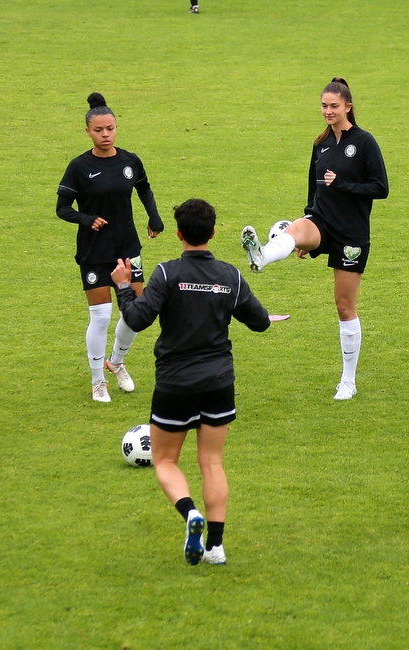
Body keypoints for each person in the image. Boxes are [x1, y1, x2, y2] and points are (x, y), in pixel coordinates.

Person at [111, 198, 270, 566]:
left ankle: (190, 513)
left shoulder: (167, 274)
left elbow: (136, 319)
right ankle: (216, 546)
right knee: (212, 462)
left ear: (179, 234)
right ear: (213, 233)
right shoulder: (230, 275)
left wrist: (122, 286)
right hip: (218, 382)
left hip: (174, 384)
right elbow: (260, 321)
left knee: (166, 460)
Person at [241, 78, 388, 400]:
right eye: (324, 106)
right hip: (321, 220)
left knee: (344, 305)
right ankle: (263, 255)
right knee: (294, 229)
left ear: (348, 106)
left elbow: (381, 188)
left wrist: (344, 185)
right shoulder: (320, 143)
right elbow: (314, 189)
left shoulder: (364, 142)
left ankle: (348, 380)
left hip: (351, 233)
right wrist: (308, 222)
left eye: (334, 106)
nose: (328, 111)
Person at [56, 92, 164, 403]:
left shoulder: (130, 160)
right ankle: (97, 380)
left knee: (136, 311)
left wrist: (154, 216)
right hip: (94, 249)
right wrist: (86, 218)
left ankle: (115, 362)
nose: (106, 134)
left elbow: (142, 186)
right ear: (88, 131)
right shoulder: (79, 167)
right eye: (99, 130)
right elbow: (62, 207)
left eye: (111, 128)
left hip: (127, 245)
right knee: (101, 316)